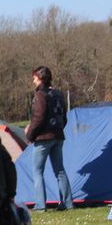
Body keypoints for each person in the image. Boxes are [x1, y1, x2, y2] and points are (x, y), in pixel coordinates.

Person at [25, 66, 73, 212]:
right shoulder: (58, 94)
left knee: (38, 171)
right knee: (60, 171)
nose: (33, 80)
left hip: (44, 138)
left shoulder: (40, 95)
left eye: (34, 77)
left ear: (40, 78)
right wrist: (58, 130)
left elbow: (38, 118)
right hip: (58, 136)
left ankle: (40, 205)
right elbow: (64, 117)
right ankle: (68, 203)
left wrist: (30, 134)